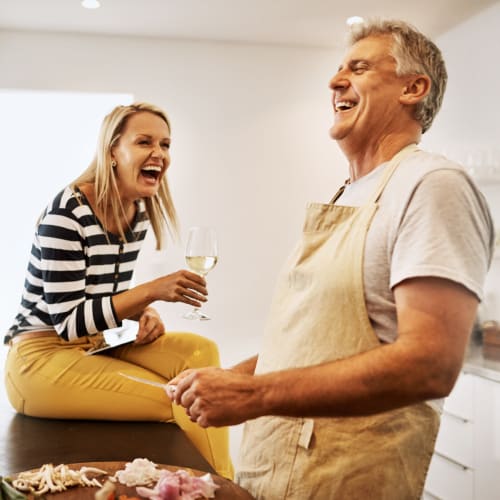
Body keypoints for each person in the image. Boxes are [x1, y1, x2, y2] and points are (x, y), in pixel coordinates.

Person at [166, 19, 495, 499]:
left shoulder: (433, 185)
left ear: (413, 88)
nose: (334, 81)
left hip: (348, 480)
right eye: (339, 68)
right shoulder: (348, 194)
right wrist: (232, 378)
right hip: (276, 470)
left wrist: (252, 395)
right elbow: (316, 344)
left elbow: (431, 363)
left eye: (358, 68)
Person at [3, 102, 233, 479]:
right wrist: (150, 292)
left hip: (93, 346)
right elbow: (69, 322)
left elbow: (102, 300)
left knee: (200, 351)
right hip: (39, 359)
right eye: (144, 142)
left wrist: (144, 313)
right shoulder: (68, 213)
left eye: (165, 144)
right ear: (113, 151)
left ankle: (216, 483)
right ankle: (220, 487)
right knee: (181, 397)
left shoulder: (137, 214)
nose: (158, 153)